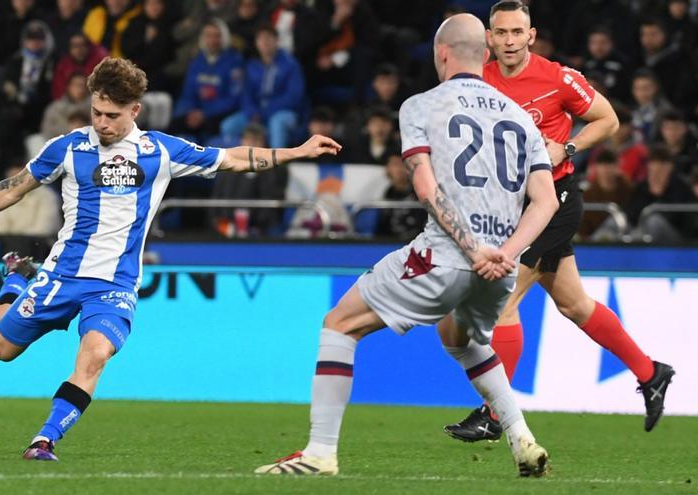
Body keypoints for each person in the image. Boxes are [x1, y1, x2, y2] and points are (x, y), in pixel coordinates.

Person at [0, 57, 341, 461]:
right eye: (96, 113)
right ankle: (16, 276)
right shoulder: (68, 148)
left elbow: (232, 157)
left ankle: (44, 440)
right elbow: (13, 187)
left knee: (95, 355)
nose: (102, 123)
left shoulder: (160, 150)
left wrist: (296, 151)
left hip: (114, 285)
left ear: (135, 111)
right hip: (63, 274)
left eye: (112, 115)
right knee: (0, 348)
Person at [255, 13, 558, 478]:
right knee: (461, 337)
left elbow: (424, 186)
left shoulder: (421, 106)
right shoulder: (520, 117)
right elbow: (546, 200)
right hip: (501, 267)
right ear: (487, 54)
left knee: (339, 325)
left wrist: (473, 250)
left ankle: (318, 453)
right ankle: (522, 440)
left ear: (442, 53)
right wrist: (504, 253)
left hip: (448, 254)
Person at [442, 1, 675, 444]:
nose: (510, 41)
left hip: (555, 202)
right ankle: (651, 372)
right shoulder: (476, 81)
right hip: (511, 208)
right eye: (501, 33)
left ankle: (495, 414)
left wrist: (566, 148)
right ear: (489, 38)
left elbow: (608, 119)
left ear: (531, 36)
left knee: (504, 300)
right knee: (574, 304)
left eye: (518, 32)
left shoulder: (558, 78)